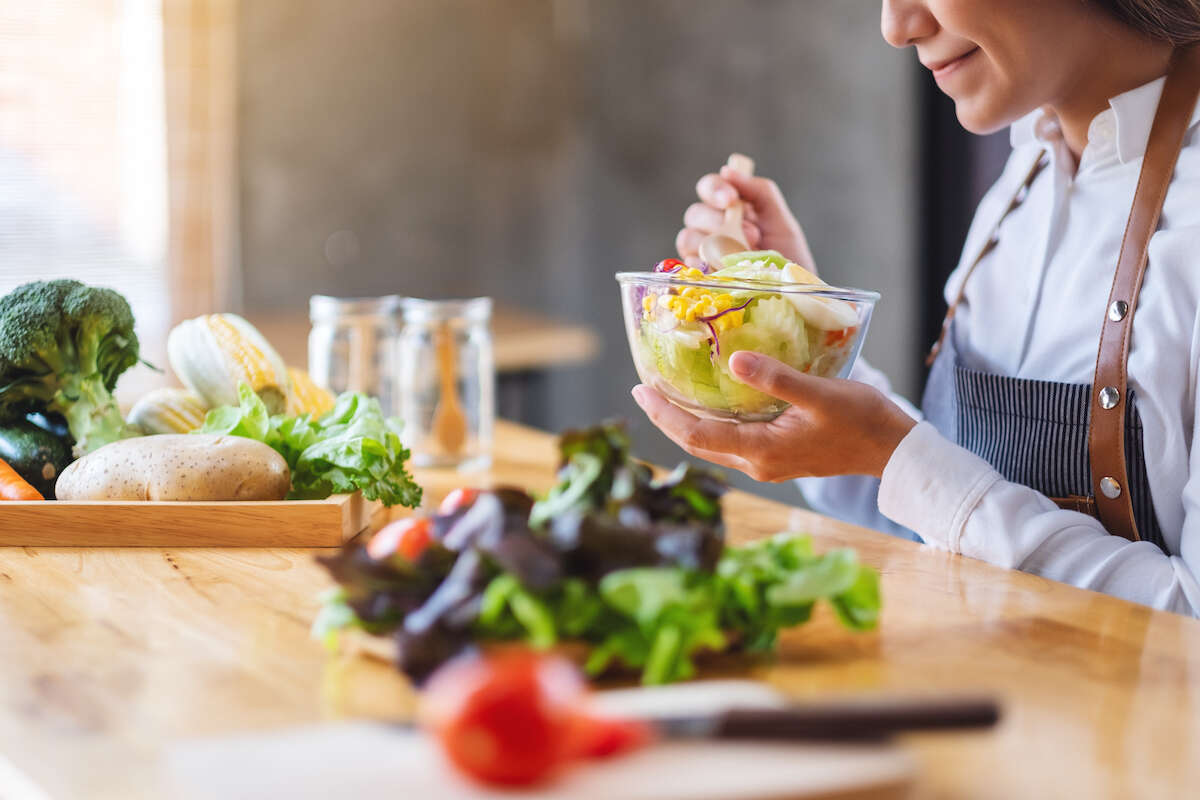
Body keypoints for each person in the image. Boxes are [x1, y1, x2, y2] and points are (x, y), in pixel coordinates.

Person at [632, 0, 1200, 616]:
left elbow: (1188, 616)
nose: (897, 26)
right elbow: (944, 520)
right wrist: (806, 328)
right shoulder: (1029, 172)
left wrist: (893, 452)